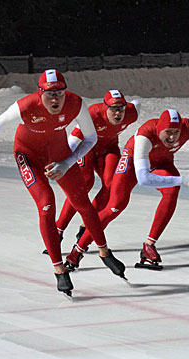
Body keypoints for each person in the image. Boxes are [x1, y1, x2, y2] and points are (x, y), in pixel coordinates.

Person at [0, 69, 126, 297]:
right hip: (28, 155)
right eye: (50, 94)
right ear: (40, 93)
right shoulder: (27, 105)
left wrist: (67, 163)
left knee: (83, 202)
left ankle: (104, 251)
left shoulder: (75, 103)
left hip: (59, 154)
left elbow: (90, 138)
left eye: (60, 93)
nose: (55, 99)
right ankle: (59, 269)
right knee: (46, 203)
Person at [65, 106, 189, 271]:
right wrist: (182, 179)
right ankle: (77, 251)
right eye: (168, 132)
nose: (172, 137)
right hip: (133, 162)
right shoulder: (146, 135)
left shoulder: (188, 127)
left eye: (176, 132)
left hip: (162, 162)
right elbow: (143, 179)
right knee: (115, 206)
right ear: (159, 129)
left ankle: (149, 246)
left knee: (172, 190)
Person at [53, 89, 141, 246]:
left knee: (111, 186)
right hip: (87, 148)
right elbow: (73, 139)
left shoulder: (131, 113)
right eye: (113, 109)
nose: (117, 113)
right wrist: (62, 162)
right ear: (105, 107)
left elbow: (137, 104)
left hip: (109, 148)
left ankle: (87, 225)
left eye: (121, 109)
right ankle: (59, 229)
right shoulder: (92, 115)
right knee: (85, 183)